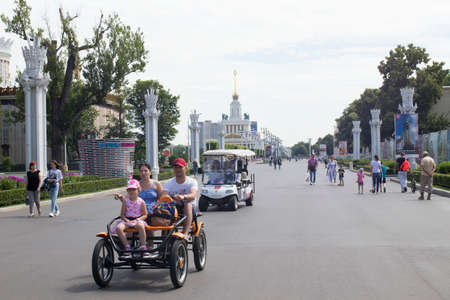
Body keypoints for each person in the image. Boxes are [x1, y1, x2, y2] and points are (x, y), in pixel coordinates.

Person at [113, 179, 149, 258]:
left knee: (140, 226)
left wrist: (138, 219)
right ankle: (127, 246)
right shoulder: (126, 201)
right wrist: (126, 220)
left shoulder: (141, 201)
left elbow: (145, 214)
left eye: (134, 189)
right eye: (129, 190)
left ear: (138, 190)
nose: (131, 191)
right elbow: (122, 214)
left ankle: (143, 246)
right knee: (119, 228)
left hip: (137, 219)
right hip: (127, 220)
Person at [163, 158, 198, 239]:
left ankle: (185, 234)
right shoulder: (168, 183)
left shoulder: (192, 182)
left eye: (180, 167)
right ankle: (164, 237)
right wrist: (169, 198)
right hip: (173, 207)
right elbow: (163, 196)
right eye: (176, 167)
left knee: (187, 204)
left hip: (188, 207)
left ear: (185, 168)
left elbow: (193, 195)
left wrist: (183, 197)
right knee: (164, 206)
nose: (178, 169)